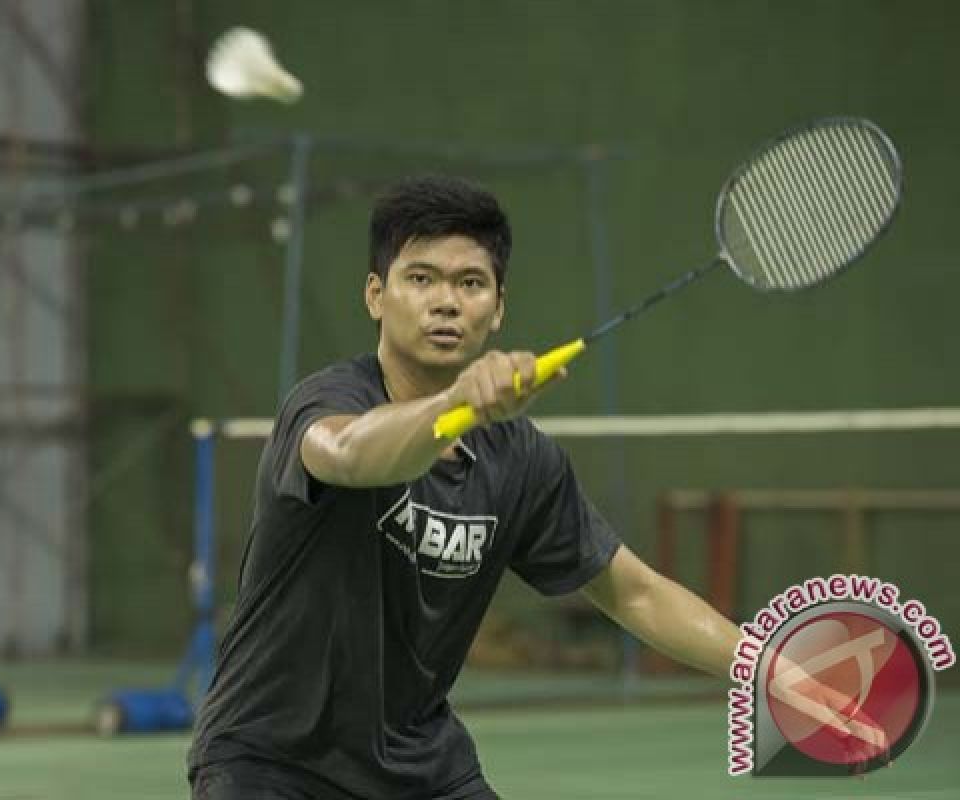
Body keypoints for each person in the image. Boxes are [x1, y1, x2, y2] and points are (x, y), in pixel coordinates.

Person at [187, 176, 882, 799]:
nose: (445, 303)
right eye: (420, 279)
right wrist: (455, 403)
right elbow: (355, 453)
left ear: (498, 309)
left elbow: (633, 591)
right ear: (376, 296)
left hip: (416, 768)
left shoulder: (522, 461)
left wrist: (768, 669)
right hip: (271, 764)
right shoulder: (326, 401)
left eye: (469, 284)